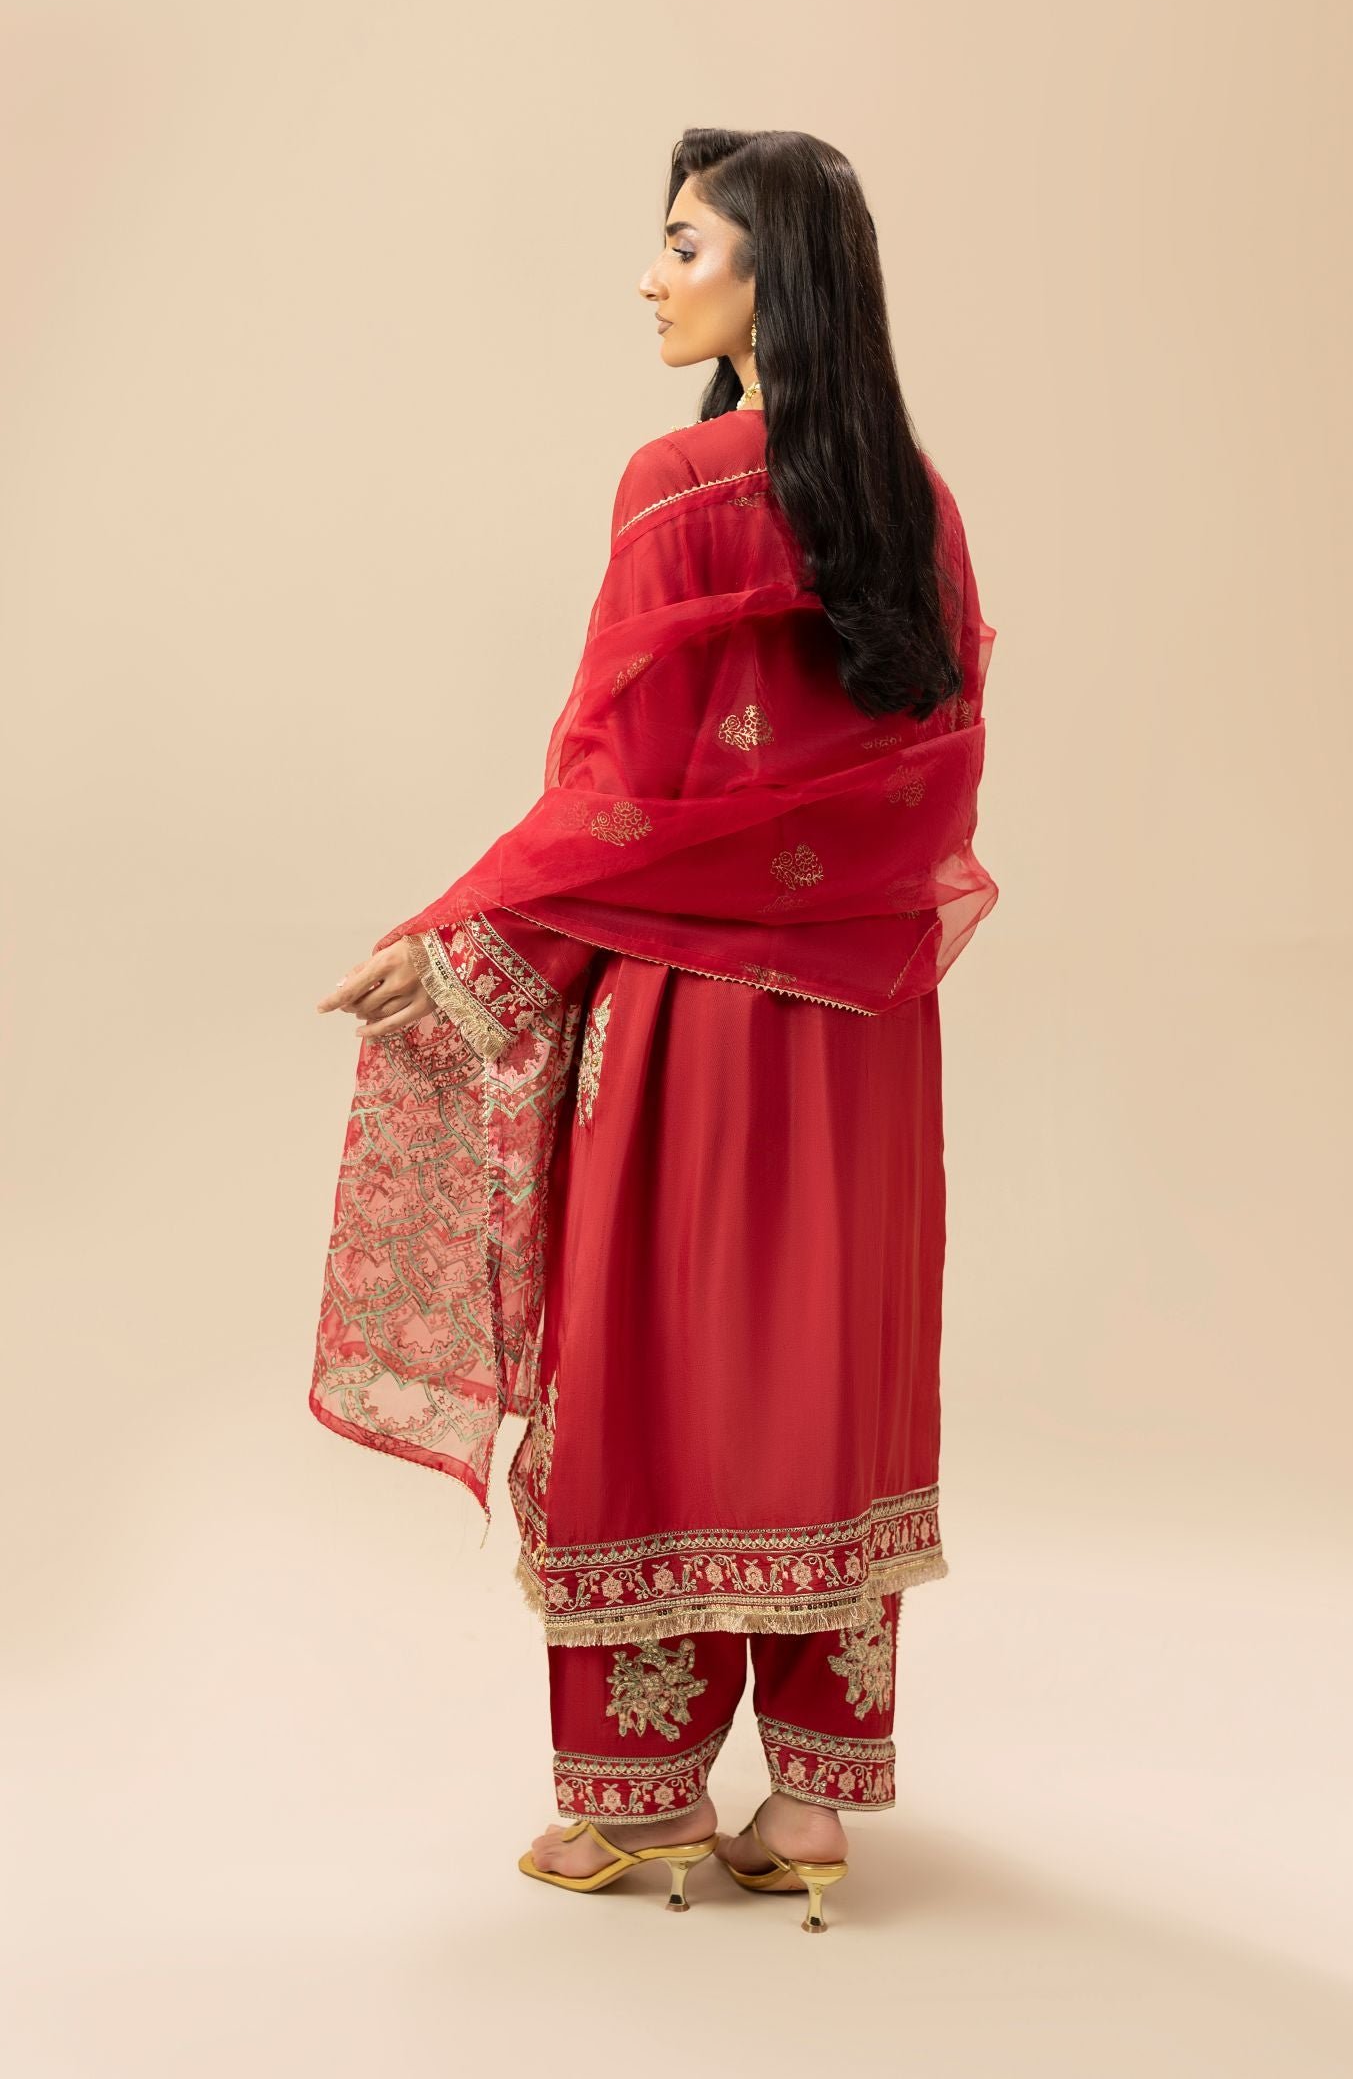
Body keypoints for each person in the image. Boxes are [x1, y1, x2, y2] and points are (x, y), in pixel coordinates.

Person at [311, 128, 999, 1932]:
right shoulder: (915, 499)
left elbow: (618, 796)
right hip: (864, 1037)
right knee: (828, 1374)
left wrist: (460, 933)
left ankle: (640, 1798)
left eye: (683, 244)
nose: (650, 276)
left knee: (653, 1370)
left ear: (774, 274)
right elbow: (928, 792)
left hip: (691, 1016)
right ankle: (815, 1804)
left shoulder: (676, 481)